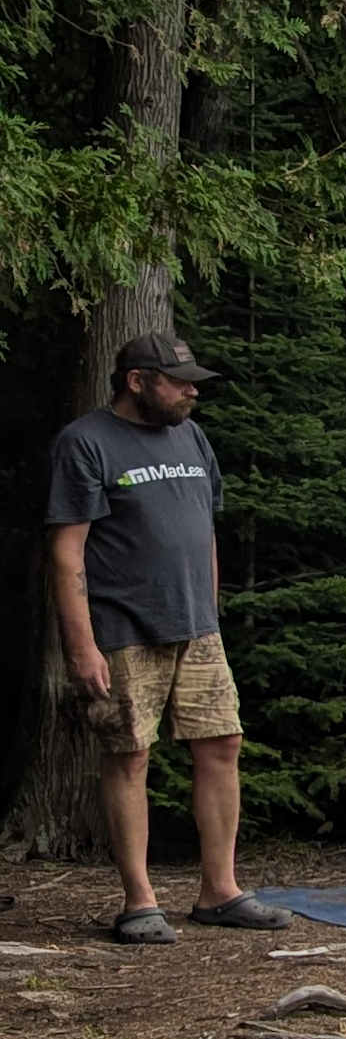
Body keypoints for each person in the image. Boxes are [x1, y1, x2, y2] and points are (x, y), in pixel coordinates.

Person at [45, 330, 282, 944]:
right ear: (137, 381)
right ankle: (139, 901)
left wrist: (210, 610)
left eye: (193, 383)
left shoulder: (191, 436)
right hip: (124, 631)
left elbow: (204, 528)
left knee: (222, 744)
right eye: (179, 382)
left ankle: (219, 892)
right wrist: (81, 645)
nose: (190, 393)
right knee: (130, 756)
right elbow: (67, 554)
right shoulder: (86, 443)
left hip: (197, 629)